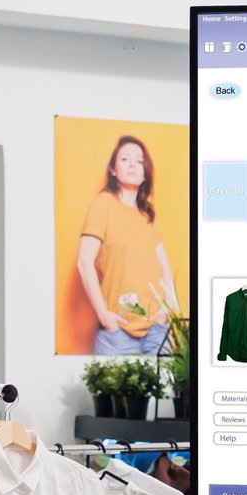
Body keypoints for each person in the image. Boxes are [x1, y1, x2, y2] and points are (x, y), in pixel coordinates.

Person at [77, 135, 180, 356]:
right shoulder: (103, 204)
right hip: (117, 334)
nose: (132, 164)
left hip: (156, 330)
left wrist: (167, 310)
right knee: (112, 391)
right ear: (113, 170)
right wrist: (104, 316)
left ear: (145, 174)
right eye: (124, 159)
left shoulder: (147, 215)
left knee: (166, 391)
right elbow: (84, 261)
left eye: (139, 160)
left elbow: (165, 269)